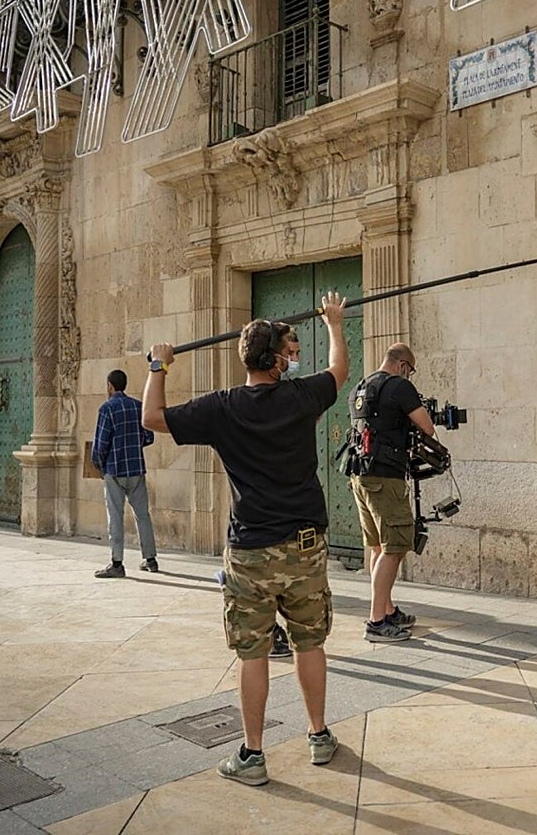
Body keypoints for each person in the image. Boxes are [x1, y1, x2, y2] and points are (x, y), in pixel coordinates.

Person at [141, 291, 348, 786]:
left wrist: (158, 365)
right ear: (278, 360)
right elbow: (340, 371)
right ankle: (319, 736)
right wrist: (334, 322)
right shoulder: (302, 398)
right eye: (288, 352)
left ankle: (252, 756)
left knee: (253, 653)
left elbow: (152, 417)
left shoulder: (222, 407)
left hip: (251, 550)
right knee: (309, 641)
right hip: (303, 546)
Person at [346, 343, 436, 643]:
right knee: (394, 547)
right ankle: (376, 621)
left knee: (376, 546)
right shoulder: (398, 386)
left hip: (360, 476)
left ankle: (386, 609)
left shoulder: (361, 387)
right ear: (401, 365)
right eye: (410, 370)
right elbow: (427, 427)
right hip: (385, 477)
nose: (409, 375)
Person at [92, 369, 158, 578]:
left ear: (110, 385)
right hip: (136, 468)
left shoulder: (107, 409)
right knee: (143, 515)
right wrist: (134, 446)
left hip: (114, 469)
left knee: (116, 516)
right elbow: (149, 437)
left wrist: (99, 465)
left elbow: (100, 445)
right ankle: (150, 559)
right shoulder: (139, 407)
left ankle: (117, 564)